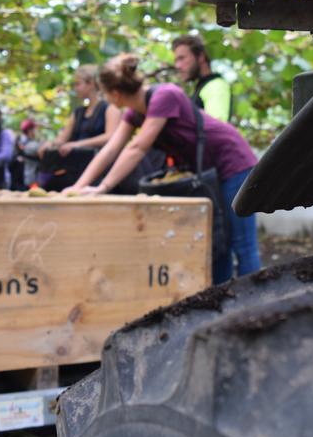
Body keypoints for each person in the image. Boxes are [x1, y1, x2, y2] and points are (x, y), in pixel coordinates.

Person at [67, 53, 261, 284]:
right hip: (208, 171)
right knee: (216, 242)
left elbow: (137, 147)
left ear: (115, 94)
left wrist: (103, 187)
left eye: (105, 93)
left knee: (241, 241)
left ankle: (256, 304)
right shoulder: (135, 113)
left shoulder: (165, 95)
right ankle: (225, 305)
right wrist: (78, 188)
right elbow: (111, 149)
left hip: (233, 162)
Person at [37, 65, 122, 192]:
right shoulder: (78, 113)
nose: (75, 88)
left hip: (101, 168)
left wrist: (77, 145)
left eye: (78, 84)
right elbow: (63, 138)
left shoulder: (110, 108)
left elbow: (111, 137)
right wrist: (50, 144)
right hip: (74, 169)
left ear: (91, 83)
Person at [172, 34, 233, 123]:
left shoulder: (215, 85)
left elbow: (216, 125)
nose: (177, 66)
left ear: (201, 57)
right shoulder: (201, 88)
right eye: (176, 61)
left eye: (181, 58)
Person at [14, 118, 41, 190]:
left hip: (21, 179)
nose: (36, 132)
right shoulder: (31, 144)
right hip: (30, 179)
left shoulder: (19, 140)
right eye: (35, 129)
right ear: (30, 130)